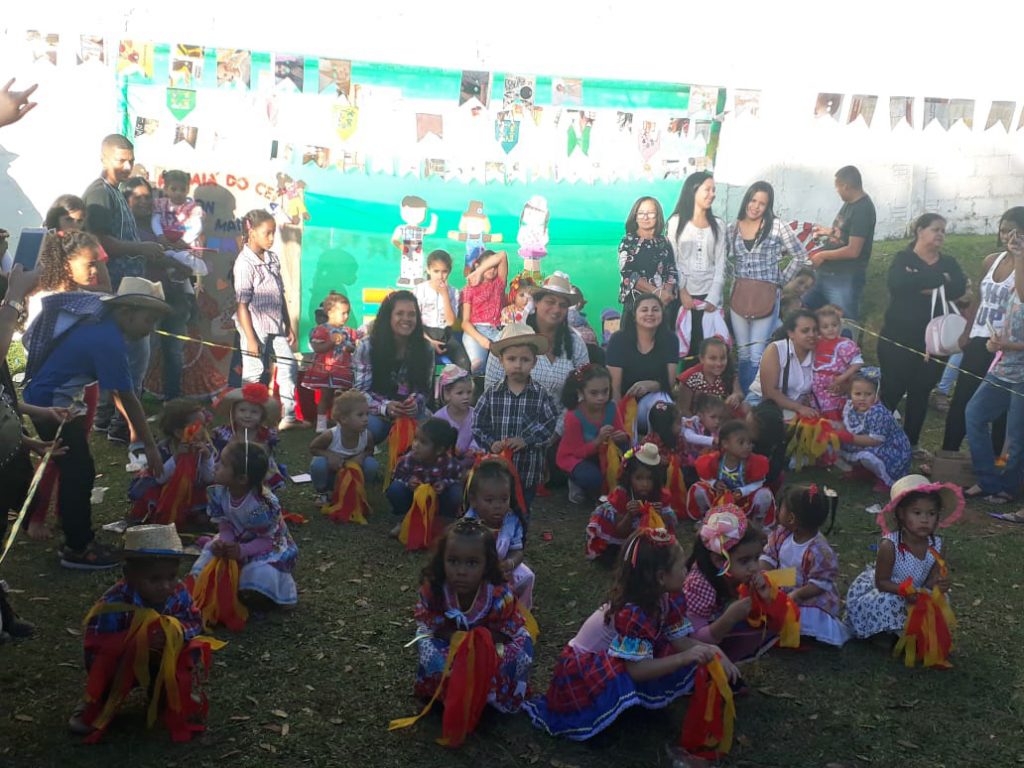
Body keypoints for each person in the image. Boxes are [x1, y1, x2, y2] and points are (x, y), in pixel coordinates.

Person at [525, 527, 731, 741]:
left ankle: (633, 706)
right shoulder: (634, 612)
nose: (686, 571)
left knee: (669, 650)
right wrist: (683, 658)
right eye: (681, 567)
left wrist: (712, 650)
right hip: (585, 671)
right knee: (665, 658)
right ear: (661, 577)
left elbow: (679, 640)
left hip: (619, 660)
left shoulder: (665, 598)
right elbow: (636, 669)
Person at [23, 276, 166, 569]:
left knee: (75, 467)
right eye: (148, 320)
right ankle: (78, 548)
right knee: (78, 469)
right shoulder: (108, 340)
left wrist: (134, 428)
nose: (151, 329)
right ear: (126, 313)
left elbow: (116, 390)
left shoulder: (103, 327)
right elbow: (127, 396)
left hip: (54, 398)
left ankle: (71, 524)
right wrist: (150, 445)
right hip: (51, 404)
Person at [68, 524, 207, 739]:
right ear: (129, 575)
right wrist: (139, 641)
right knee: (107, 667)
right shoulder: (114, 603)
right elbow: (97, 644)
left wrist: (175, 632)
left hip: (162, 658)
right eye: (154, 579)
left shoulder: (178, 593)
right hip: (124, 663)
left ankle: (168, 693)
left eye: (171, 576)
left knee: (187, 651)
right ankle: (98, 700)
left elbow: (194, 621)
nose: (165, 586)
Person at [83, 136, 175, 443]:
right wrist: (141, 248)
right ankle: (122, 427)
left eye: (130, 160)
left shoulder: (116, 191)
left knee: (121, 357)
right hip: (117, 293)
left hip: (127, 290)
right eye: (119, 160)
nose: (126, 166)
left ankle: (106, 420)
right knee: (134, 359)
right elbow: (99, 242)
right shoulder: (99, 193)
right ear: (103, 157)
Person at [410, 518, 534, 725]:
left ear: (487, 565)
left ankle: (491, 699)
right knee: (430, 648)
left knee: (514, 652)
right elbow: (433, 623)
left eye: (472, 563)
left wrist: (475, 642)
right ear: (442, 560)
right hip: (450, 640)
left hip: (491, 643)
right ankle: (440, 694)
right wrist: (457, 639)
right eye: (453, 561)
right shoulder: (435, 589)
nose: (461, 571)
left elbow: (506, 631)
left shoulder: (499, 595)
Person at [878, 214, 967, 456]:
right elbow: (898, 284)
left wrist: (919, 282)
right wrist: (940, 280)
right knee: (892, 388)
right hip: (898, 337)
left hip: (936, 342)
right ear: (920, 230)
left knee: (921, 390)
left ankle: (911, 442)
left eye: (943, 230)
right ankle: (876, 438)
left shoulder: (948, 262)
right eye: (935, 229)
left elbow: (959, 287)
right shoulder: (903, 258)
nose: (940, 234)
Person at [942, 207, 1024, 452]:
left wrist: (1020, 257)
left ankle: (997, 460)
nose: (1007, 236)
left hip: (1007, 345)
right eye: (1003, 230)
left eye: (1013, 231)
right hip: (979, 338)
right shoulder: (990, 260)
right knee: (963, 398)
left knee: (1001, 409)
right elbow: (978, 297)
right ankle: (949, 454)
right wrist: (967, 331)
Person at [845, 475, 961, 641]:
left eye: (931, 513)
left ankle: (913, 632)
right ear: (901, 514)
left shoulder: (937, 546)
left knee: (940, 599)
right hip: (891, 590)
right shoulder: (890, 546)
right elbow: (881, 582)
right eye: (917, 513)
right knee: (890, 602)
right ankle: (883, 634)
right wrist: (903, 591)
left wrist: (939, 584)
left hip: (917, 593)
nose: (924, 519)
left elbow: (931, 580)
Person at [189, 441, 298, 610]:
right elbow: (225, 522)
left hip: (266, 544)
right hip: (237, 537)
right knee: (210, 553)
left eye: (223, 463)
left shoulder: (260, 506)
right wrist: (226, 542)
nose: (216, 466)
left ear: (241, 479)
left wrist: (242, 550)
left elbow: (267, 540)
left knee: (260, 573)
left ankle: (280, 590)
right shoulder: (220, 492)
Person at [726, 181, 813, 392]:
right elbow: (722, 258)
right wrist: (732, 275)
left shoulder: (777, 226)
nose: (755, 206)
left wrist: (780, 281)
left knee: (757, 352)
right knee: (743, 352)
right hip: (740, 295)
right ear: (746, 200)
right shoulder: (732, 228)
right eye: (753, 200)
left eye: (762, 203)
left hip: (766, 295)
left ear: (768, 206)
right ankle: (743, 397)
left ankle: (752, 398)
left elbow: (801, 256)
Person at [474, 323, 560, 514]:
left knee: (522, 510)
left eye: (525, 359)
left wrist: (526, 440)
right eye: (511, 359)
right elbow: (478, 425)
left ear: (534, 363)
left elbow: (549, 423)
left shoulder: (541, 394)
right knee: (495, 510)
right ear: (501, 361)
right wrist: (492, 442)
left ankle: (519, 531)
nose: (518, 365)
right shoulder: (491, 394)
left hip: (527, 471)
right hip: (497, 470)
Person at [966, 230, 1024, 511]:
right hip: (1004, 365)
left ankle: (1009, 487)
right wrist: (995, 343)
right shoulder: (1013, 278)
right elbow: (1013, 313)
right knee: (974, 413)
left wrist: (1008, 345)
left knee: (1016, 433)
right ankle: (988, 480)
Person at [234, 209, 305, 430]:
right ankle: (246, 418)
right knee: (253, 373)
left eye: (274, 233)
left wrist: (288, 323)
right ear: (252, 232)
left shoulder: (272, 258)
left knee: (288, 365)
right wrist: (251, 339)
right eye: (267, 233)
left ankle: (289, 416)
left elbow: (280, 294)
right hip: (254, 326)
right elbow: (242, 305)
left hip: (276, 324)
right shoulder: (244, 263)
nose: (272, 238)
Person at [760, 485, 849, 647]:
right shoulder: (782, 534)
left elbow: (820, 583)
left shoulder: (819, 550)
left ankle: (803, 629)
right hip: (782, 584)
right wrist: (763, 575)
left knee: (804, 615)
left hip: (808, 593)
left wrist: (797, 595)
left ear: (791, 518)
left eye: (781, 508)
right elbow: (769, 557)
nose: (777, 510)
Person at [684, 505, 775, 662]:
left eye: (756, 558)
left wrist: (761, 592)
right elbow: (695, 639)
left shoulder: (736, 572)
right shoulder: (699, 585)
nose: (754, 567)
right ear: (720, 561)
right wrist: (730, 618)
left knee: (768, 626)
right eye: (745, 561)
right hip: (696, 639)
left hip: (715, 624)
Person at [485, 273, 589, 406]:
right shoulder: (509, 336)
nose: (556, 309)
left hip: (563, 418)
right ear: (536, 302)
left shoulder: (576, 344)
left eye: (563, 305)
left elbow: (585, 387)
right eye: (550, 302)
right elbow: (491, 388)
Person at [353, 290, 434, 443]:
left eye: (412, 314)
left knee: (434, 430)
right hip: (376, 412)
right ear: (388, 316)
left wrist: (414, 403)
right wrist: (386, 407)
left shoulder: (426, 348)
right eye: (400, 313)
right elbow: (360, 392)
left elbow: (424, 390)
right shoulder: (367, 346)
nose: (406, 319)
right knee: (370, 428)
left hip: (411, 412)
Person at [667, 172, 727, 360]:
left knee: (710, 350)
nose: (712, 194)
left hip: (709, 298)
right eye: (707, 189)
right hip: (683, 297)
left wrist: (713, 298)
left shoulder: (718, 225)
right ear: (693, 190)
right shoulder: (676, 222)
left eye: (714, 190)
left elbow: (720, 264)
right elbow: (672, 260)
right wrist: (682, 291)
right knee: (686, 350)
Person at [805, 165, 877, 321]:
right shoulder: (850, 203)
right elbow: (845, 232)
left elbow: (853, 250)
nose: (837, 191)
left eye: (837, 187)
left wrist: (822, 255)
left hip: (844, 277)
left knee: (843, 321)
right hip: (825, 273)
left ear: (846, 186)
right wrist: (828, 231)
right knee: (804, 311)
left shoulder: (862, 210)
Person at [127, 399, 214, 527]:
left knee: (206, 503)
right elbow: (160, 478)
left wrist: (206, 458)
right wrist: (176, 457)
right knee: (152, 495)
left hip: (194, 490)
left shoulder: (204, 448)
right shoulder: (164, 449)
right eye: (198, 427)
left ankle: (196, 512)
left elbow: (209, 478)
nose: (204, 430)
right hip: (167, 490)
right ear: (178, 433)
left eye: (204, 425)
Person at [585, 443, 678, 561]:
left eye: (650, 478)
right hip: (622, 539)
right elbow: (620, 532)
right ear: (629, 477)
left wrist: (659, 516)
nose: (645, 484)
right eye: (639, 478)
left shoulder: (661, 495)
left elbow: (665, 528)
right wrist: (629, 515)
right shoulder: (622, 495)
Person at [463, 457, 535, 608]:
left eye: (504, 499)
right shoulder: (468, 523)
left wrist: (510, 563)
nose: (497, 506)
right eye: (489, 500)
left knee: (527, 576)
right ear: (473, 500)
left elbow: (517, 550)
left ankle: (520, 612)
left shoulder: (512, 520)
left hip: (503, 567)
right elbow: (464, 557)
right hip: (476, 571)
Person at [605, 294, 678, 435]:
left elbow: (670, 382)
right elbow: (614, 388)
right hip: (625, 404)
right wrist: (619, 421)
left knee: (663, 406)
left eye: (655, 310)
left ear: (662, 314)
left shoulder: (670, 340)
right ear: (634, 315)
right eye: (644, 310)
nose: (650, 314)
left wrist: (652, 385)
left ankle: (661, 447)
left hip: (655, 400)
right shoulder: (618, 340)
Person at [557, 364, 628, 503]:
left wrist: (622, 436)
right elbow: (576, 451)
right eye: (594, 393)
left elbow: (622, 433)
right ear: (581, 392)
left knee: (627, 457)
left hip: (603, 453)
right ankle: (575, 482)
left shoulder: (611, 407)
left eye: (605, 391)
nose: (601, 397)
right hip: (576, 457)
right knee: (593, 479)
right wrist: (598, 440)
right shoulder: (573, 416)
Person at [685, 420, 776, 525]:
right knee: (698, 488)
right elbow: (704, 477)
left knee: (764, 494)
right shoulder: (714, 460)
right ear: (725, 444)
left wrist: (743, 491)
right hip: (719, 499)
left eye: (750, 443)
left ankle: (757, 523)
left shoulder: (754, 462)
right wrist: (714, 483)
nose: (747, 446)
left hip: (743, 500)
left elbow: (758, 482)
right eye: (741, 442)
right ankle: (705, 518)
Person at [839, 370, 912, 491]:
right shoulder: (851, 407)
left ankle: (886, 478)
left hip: (890, 448)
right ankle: (863, 470)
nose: (862, 398)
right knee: (842, 444)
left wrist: (850, 438)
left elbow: (875, 440)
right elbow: (848, 426)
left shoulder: (878, 412)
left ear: (877, 394)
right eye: (857, 394)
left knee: (867, 455)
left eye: (868, 394)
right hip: (866, 442)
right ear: (850, 394)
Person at [211, 384, 287, 492]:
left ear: (262, 416)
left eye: (254, 412)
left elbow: (268, 457)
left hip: (258, 470)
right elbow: (217, 456)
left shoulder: (266, 435)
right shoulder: (224, 433)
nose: (247, 415)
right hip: (229, 470)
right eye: (242, 410)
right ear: (233, 412)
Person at [746, 309, 819, 421]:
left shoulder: (819, 353)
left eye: (815, 330)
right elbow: (769, 392)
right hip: (763, 402)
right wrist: (799, 408)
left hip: (797, 408)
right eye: (805, 331)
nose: (812, 335)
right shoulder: (776, 349)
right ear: (791, 333)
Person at [385, 418, 463, 522]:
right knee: (395, 489)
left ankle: (444, 519)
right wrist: (408, 481)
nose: (415, 445)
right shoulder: (408, 459)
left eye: (423, 442)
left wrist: (444, 483)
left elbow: (457, 479)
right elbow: (397, 475)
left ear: (439, 450)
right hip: (414, 498)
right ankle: (404, 517)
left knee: (456, 493)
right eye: (415, 439)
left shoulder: (449, 463)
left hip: (439, 500)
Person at [308, 390, 379, 503]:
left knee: (371, 464)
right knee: (318, 463)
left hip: (353, 473)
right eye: (360, 415)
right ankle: (323, 492)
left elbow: (370, 451)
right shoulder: (331, 435)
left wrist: (362, 456)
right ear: (344, 419)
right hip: (332, 474)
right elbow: (313, 448)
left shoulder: (367, 435)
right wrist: (329, 455)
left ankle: (357, 490)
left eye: (367, 414)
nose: (366, 419)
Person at [303, 291, 357, 432]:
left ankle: (338, 422)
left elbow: (352, 348)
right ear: (330, 312)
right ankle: (321, 425)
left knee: (341, 397)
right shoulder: (322, 330)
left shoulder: (348, 331)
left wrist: (350, 348)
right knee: (325, 396)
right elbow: (317, 348)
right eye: (343, 313)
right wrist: (331, 343)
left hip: (342, 369)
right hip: (326, 369)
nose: (346, 316)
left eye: (347, 313)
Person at [617, 196, 678, 317]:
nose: (645, 217)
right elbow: (628, 274)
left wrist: (666, 294)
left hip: (663, 306)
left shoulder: (664, 241)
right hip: (636, 306)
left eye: (650, 213)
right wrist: (657, 293)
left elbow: (671, 269)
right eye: (641, 213)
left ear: (658, 216)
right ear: (635, 216)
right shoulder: (628, 241)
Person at [413, 249, 472, 372]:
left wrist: (445, 294)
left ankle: (457, 384)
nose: (440, 276)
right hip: (424, 334)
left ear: (449, 271)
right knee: (426, 365)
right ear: (428, 270)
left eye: (444, 272)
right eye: (436, 271)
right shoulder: (419, 290)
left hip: (446, 335)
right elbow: (414, 322)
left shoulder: (453, 292)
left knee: (464, 364)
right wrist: (429, 341)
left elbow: (450, 322)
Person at [811, 305, 863, 419]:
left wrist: (842, 378)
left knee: (833, 414)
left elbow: (857, 363)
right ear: (818, 329)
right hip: (815, 391)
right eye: (825, 327)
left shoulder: (845, 344)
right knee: (816, 416)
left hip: (835, 387)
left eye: (834, 325)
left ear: (840, 325)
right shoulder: (816, 343)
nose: (831, 329)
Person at [460, 250, 508, 373]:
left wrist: (479, 271)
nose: (492, 270)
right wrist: (481, 339)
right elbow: (465, 323)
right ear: (477, 265)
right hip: (475, 330)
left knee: (505, 365)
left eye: (495, 267)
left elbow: (502, 254)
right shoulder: (469, 289)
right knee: (477, 365)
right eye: (488, 266)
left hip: (497, 331)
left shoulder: (499, 283)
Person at [675, 337, 744, 417]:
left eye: (723, 358)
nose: (718, 363)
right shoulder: (689, 378)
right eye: (713, 358)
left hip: (724, 419)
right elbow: (683, 410)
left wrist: (736, 396)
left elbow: (739, 393)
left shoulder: (729, 373)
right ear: (702, 359)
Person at [432, 364, 479, 460]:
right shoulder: (438, 418)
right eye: (460, 393)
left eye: (469, 392)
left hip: (471, 461)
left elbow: (479, 436)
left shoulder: (476, 415)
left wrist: (473, 449)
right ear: (447, 394)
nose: (466, 397)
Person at [681, 394, 726, 466]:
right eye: (713, 417)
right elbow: (689, 437)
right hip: (689, 465)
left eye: (720, 418)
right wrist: (712, 440)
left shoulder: (718, 430)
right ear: (700, 416)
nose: (717, 421)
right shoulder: (692, 423)